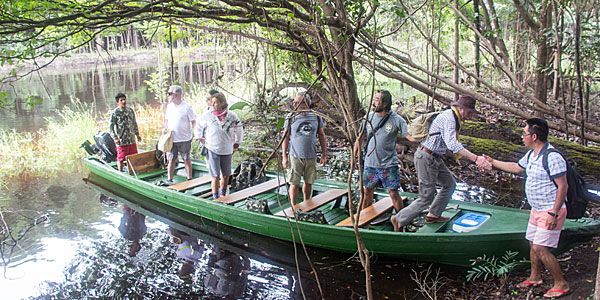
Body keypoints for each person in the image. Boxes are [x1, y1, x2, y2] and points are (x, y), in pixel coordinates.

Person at [483, 118, 570, 299]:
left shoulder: (552, 157)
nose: (522, 136)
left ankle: (561, 284)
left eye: (524, 133)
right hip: (536, 209)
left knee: (540, 248)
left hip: (551, 210)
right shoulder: (532, 154)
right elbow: (516, 167)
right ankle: (535, 276)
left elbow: (563, 187)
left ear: (534, 136)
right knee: (532, 242)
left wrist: (553, 213)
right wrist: (492, 162)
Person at [391, 94, 491, 231]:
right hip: (426, 157)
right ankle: (399, 218)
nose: (470, 116)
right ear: (461, 108)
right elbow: (452, 145)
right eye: (469, 112)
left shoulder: (455, 118)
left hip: (435, 157)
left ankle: (433, 215)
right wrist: (476, 158)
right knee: (427, 196)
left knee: (449, 185)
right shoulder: (449, 118)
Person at [353, 90, 408, 212]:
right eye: (374, 99)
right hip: (370, 163)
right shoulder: (368, 118)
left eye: (377, 100)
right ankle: (364, 222)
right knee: (367, 192)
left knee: (393, 193)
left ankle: (401, 221)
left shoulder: (397, 120)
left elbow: (409, 135)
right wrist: (354, 158)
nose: (373, 103)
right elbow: (359, 138)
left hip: (389, 164)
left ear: (385, 104)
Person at [281, 92, 327, 206]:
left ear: (306, 103)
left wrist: (324, 154)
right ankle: (293, 206)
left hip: (311, 155)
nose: (294, 103)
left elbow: (321, 135)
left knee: (309, 182)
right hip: (295, 156)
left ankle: (307, 203)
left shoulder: (316, 116)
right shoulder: (291, 117)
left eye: (297, 102)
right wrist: (284, 157)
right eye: (294, 101)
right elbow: (285, 137)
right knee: (294, 183)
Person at [196, 92, 243, 199]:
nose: (213, 105)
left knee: (226, 175)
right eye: (212, 103)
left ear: (222, 103)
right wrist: (200, 137)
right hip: (212, 148)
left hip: (227, 149)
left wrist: (238, 142)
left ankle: (223, 193)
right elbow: (199, 125)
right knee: (215, 176)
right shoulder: (208, 115)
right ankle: (215, 196)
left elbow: (239, 127)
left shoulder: (231, 115)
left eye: (215, 103)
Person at [164, 85, 196, 183]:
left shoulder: (186, 107)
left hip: (184, 139)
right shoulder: (169, 107)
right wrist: (164, 129)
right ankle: (170, 179)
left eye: (170, 94)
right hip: (172, 139)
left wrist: (196, 134)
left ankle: (189, 178)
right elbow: (166, 120)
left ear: (177, 95)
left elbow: (193, 122)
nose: (168, 95)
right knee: (171, 160)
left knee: (186, 159)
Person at [109, 92, 140, 172]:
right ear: (117, 102)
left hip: (131, 139)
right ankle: (120, 172)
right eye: (121, 100)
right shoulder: (115, 113)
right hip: (122, 140)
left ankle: (133, 172)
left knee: (133, 157)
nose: (123, 101)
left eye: (124, 99)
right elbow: (111, 127)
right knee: (121, 158)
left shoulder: (130, 110)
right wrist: (115, 138)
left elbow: (134, 123)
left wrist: (137, 134)